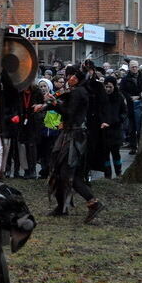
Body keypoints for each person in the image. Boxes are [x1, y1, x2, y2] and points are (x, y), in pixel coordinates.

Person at [34, 65, 105, 221]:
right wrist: (45, 105)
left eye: (71, 76)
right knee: (59, 172)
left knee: (67, 174)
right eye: (68, 76)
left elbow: (69, 113)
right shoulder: (73, 91)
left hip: (74, 136)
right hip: (69, 133)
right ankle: (62, 207)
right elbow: (61, 102)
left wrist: (53, 103)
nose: (68, 79)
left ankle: (93, 203)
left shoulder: (79, 92)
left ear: (77, 78)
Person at [99, 75, 126, 178]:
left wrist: (116, 121)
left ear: (114, 86)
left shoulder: (119, 97)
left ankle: (118, 173)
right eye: (106, 86)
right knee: (105, 154)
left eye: (110, 87)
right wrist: (102, 122)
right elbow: (99, 112)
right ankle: (107, 174)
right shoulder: (102, 98)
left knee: (116, 153)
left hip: (115, 130)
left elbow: (124, 112)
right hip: (103, 130)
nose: (108, 89)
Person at [119, 59, 142, 153]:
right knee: (132, 127)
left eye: (136, 66)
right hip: (130, 104)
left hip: (141, 103)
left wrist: (139, 96)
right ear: (129, 68)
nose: (134, 68)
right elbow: (122, 90)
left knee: (141, 126)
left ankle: (141, 146)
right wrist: (129, 97)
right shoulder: (125, 79)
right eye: (132, 67)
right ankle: (133, 146)